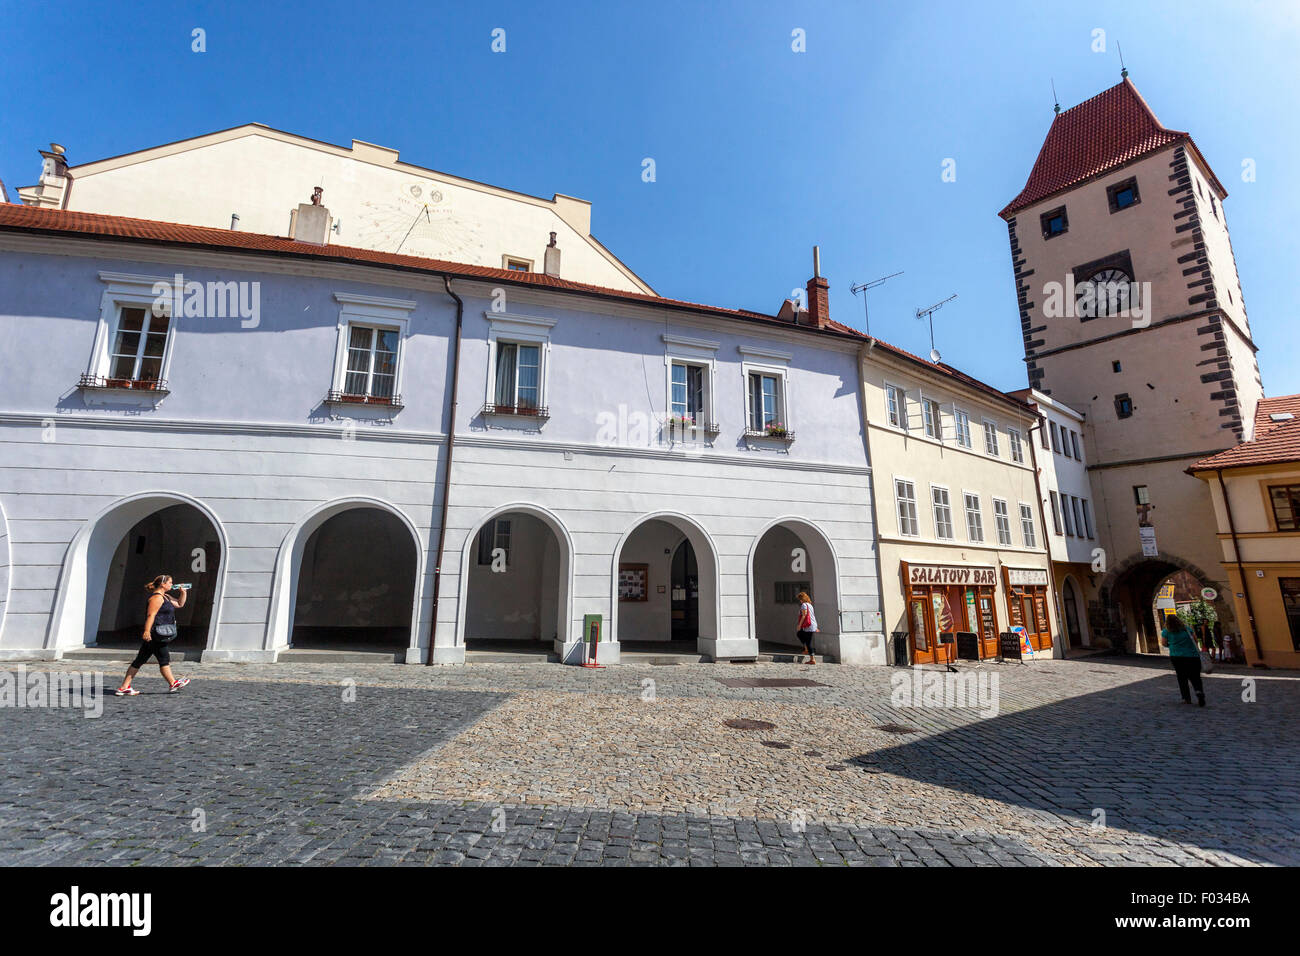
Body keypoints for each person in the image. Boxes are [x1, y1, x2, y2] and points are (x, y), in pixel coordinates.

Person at [115, 575, 192, 696]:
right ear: (163, 584)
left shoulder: (166, 596)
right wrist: (146, 631)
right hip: (155, 634)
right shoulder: (156, 598)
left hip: (156, 633)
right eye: (170, 582)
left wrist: (183, 593)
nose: (172, 584)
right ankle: (173, 683)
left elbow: (179, 604)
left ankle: (124, 687)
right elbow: (151, 615)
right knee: (164, 659)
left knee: (139, 660)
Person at [1160, 614, 1204, 707]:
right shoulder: (1187, 629)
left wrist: (1172, 645)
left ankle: (1186, 698)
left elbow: (1164, 643)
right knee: (1195, 676)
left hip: (1177, 657)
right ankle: (1199, 691)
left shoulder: (1166, 631)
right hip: (1192, 656)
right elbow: (1195, 640)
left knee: (1182, 677)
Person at [795, 591, 818, 665]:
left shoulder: (804, 605)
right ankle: (806, 649)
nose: (799, 601)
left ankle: (812, 659)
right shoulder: (810, 605)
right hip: (811, 625)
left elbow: (804, 616)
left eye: (800, 599)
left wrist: (799, 625)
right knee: (800, 634)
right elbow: (812, 616)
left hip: (808, 625)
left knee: (808, 642)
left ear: (802, 599)